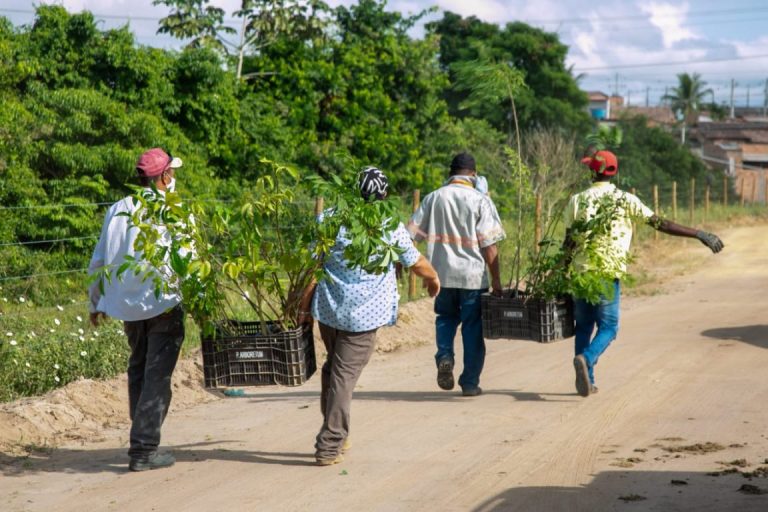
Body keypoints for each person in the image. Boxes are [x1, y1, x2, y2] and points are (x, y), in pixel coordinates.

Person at [299, 166, 441, 466]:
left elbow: (311, 266)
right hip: (363, 318)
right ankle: (330, 443)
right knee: (343, 377)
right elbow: (414, 261)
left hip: (329, 312)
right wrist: (433, 280)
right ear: (384, 195)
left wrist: (302, 307)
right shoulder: (387, 224)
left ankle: (337, 432)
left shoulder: (329, 219)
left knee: (334, 370)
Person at [565, 150, 724, 397]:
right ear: (614, 172)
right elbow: (662, 224)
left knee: (584, 326)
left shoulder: (577, 200)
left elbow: (569, 241)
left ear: (591, 171)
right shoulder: (625, 200)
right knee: (609, 327)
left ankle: (588, 379)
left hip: (581, 273)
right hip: (607, 272)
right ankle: (587, 359)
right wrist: (698, 234)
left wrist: (561, 270)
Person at [88, 147, 187, 471]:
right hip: (163, 303)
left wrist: (96, 301)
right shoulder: (173, 211)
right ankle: (143, 449)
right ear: (164, 176)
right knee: (157, 375)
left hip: (126, 306)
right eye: (171, 173)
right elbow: (190, 258)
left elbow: (100, 260)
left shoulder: (117, 209)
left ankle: (142, 433)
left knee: (139, 368)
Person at [407, 153, 506, 397]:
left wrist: (404, 265)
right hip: (472, 278)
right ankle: (470, 383)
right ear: (473, 174)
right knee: (472, 328)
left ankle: (444, 356)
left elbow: (410, 236)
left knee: (445, 318)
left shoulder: (433, 198)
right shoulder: (481, 201)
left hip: (440, 275)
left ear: (451, 173)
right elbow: (490, 246)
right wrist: (496, 280)